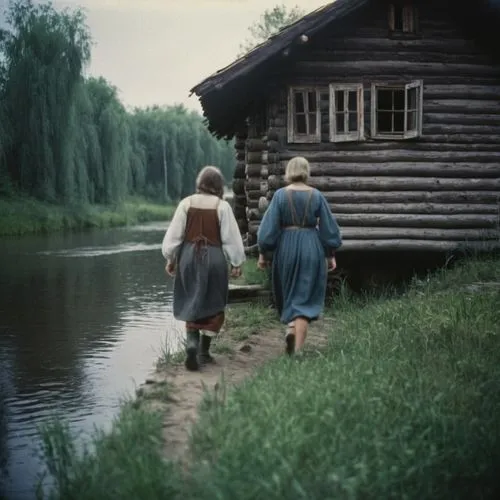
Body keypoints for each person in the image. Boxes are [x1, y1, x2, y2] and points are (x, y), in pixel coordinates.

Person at [161, 166, 246, 371]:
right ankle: (203, 352)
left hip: (189, 257)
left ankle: (191, 343)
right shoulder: (222, 206)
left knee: (191, 298)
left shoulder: (186, 203)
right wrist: (236, 262)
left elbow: (174, 238)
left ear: (200, 184)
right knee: (215, 302)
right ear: (218, 186)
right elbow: (231, 239)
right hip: (214, 257)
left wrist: (171, 258)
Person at [257, 156, 342, 356]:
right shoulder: (317, 195)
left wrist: (263, 253)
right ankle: (298, 350)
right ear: (306, 171)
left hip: (286, 246)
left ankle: (291, 330)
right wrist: (330, 254)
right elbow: (329, 229)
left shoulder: (279, 196)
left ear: (289, 171)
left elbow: (268, 229)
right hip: (311, 246)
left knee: (289, 291)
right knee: (304, 297)